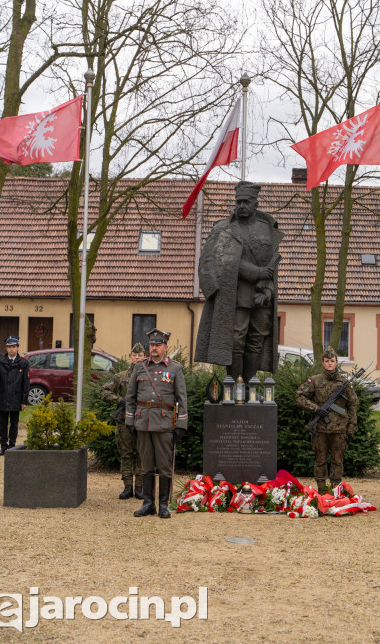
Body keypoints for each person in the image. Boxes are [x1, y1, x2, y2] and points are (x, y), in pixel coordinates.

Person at [194, 181, 283, 384]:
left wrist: (269, 290)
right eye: (238, 202)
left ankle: (250, 386)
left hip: (262, 295)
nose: (241, 205)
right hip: (235, 295)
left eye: (246, 202)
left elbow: (272, 266)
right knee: (236, 340)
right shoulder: (224, 228)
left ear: (255, 204)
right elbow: (218, 260)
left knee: (257, 340)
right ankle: (234, 386)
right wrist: (255, 272)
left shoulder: (267, 228)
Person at [125, 329, 187, 519]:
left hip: (164, 424)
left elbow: (182, 399)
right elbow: (130, 396)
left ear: (165, 347)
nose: (154, 348)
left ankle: (163, 505)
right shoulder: (140, 367)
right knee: (146, 466)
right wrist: (130, 420)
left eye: (158, 345)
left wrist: (181, 425)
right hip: (143, 422)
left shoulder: (175, 369)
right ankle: (148, 504)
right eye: (152, 345)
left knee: (164, 467)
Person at [295, 346, 358, 492]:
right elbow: (299, 397)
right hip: (320, 429)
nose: (330, 363)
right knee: (320, 461)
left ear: (336, 362)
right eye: (327, 361)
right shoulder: (315, 381)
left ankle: (335, 491)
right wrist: (316, 408)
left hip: (340, 430)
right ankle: (322, 491)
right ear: (323, 362)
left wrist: (351, 429)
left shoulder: (344, 383)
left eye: (332, 361)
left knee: (337, 462)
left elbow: (353, 406)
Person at [101, 343, 147, 500]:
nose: (137, 358)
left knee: (142, 454)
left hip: (143, 420)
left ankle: (140, 487)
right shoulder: (121, 376)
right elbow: (104, 392)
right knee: (125, 454)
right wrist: (119, 400)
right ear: (130, 357)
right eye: (135, 356)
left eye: (140, 356)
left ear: (145, 357)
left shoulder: (149, 377)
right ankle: (128, 487)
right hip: (124, 421)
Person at [0, 335, 29, 456]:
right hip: (2, 397)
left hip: (16, 398)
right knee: (3, 424)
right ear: (6, 348)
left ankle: (12, 446)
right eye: (9, 347)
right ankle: (3, 446)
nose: (11, 349)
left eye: (13, 346)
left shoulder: (23, 363)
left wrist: (23, 401)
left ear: (17, 347)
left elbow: (25, 383)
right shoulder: (0, 362)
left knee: (14, 423)